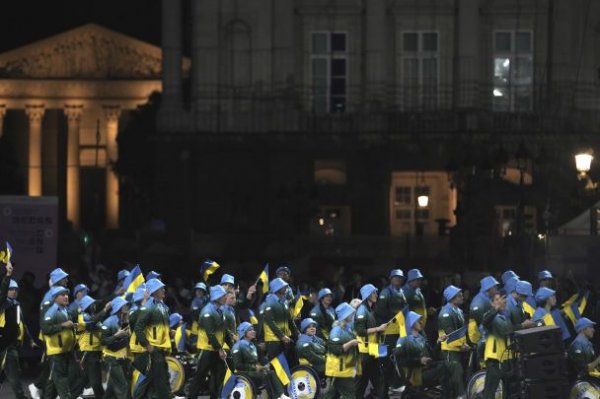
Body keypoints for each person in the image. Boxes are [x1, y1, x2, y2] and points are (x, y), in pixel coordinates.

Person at [187, 285, 233, 399]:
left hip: (216, 349)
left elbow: (224, 331)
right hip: (207, 350)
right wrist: (220, 349)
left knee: (218, 377)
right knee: (200, 376)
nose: (225, 297)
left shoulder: (220, 311)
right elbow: (210, 334)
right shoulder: (207, 311)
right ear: (217, 297)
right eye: (223, 295)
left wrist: (231, 345)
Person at [395, 311, 452, 394]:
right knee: (443, 368)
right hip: (415, 375)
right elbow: (400, 361)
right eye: (418, 321)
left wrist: (438, 342)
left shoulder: (420, 337)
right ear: (411, 323)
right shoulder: (403, 340)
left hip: (427, 369)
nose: (421, 322)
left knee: (449, 365)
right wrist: (419, 360)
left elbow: (432, 356)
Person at [133, 278, 172, 399]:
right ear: (154, 291)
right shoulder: (149, 306)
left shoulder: (162, 306)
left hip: (161, 348)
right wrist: (147, 345)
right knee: (159, 379)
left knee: (154, 378)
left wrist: (169, 332)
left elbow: (160, 327)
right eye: (161, 288)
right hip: (153, 349)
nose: (164, 290)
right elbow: (138, 328)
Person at [232, 321, 290, 399]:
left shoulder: (253, 345)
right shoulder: (237, 346)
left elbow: (261, 358)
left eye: (253, 329)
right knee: (265, 375)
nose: (253, 331)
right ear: (244, 332)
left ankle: (281, 395)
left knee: (271, 372)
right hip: (243, 372)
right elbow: (238, 365)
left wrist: (266, 364)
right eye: (250, 330)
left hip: (254, 371)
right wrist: (254, 367)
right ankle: (274, 397)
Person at [41, 285, 77, 399]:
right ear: (55, 298)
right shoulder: (52, 311)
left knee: (54, 384)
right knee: (62, 382)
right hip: (56, 352)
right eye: (62, 295)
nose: (66, 297)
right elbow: (46, 329)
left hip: (66, 351)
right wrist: (63, 325)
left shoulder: (65, 310)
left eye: (66, 294)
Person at [374, 269, 407, 395]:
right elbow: (380, 313)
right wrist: (395, 316)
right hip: (387, 333)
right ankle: (382, 392)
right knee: (386, 362)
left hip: (398, 331)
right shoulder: (386, 292)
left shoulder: (401, 291)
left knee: (397, 359)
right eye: (396, 277)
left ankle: (394, 386)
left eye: (400, 278)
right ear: (391, 279)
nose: (398, 279)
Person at [0, 263, 28, 398]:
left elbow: (20, 324)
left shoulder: (17, 305)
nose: (14, 291)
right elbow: (2, 291)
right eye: (11, 289)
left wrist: (23, 339)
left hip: (10, 347)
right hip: (2, 345)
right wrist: (7, 276)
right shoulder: (2, 302)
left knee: (15, 377)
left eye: (16, 289)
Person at [355, 283, 387, 399]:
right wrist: (378, 329)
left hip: (372, 350)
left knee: (378, 381)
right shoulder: (362, 311)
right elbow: (360, 331)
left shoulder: (369, 310)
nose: (376, 295)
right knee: (361, 384)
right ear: (367, 295)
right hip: (365, 353)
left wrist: (381, 330)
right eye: (373, 292)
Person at [438, 285, 470, 398]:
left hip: (459, 349)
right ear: (452, 298)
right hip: (450, 350)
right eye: (459, 296)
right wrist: (462, 345)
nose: (462, 297)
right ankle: (461, 396)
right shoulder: (445, 313)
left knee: (458, 374)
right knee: (457, 373)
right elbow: (450, 333)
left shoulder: (458, 311)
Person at [76, 295, 111, 398]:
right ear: (87, 306)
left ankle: (71, 395)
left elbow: (103, 328)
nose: (94, 305)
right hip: (88, 352)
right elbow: (92, 324)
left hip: (96, 352)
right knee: (96, 382)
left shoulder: (93, 316)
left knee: (85, 379)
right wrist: (104, 310)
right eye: (92, 304)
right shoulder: (83, 317)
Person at [323, 303, 360, 399]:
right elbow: (335, 349)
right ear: (345, 316)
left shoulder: (347, 328)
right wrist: (351, 343)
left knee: (331, 394)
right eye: (350, 313)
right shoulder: (336, 331)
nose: (353, 315)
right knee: (349, 394)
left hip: (345, 368)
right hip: (338, 369)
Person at [481, 292, 513, 399]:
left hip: (506, 357)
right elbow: (485, 321)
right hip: (494, 358)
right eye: (496, 299)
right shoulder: (489, 315)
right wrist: (496, 309)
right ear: (491, 303)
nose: (500, 301)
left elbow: (509, 331)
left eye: (501, 299)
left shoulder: (506, 316)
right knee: (490, 390)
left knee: (508, 390)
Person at [101, 296, 131, 399]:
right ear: (119, 307)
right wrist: (122, 337)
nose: (127, 306)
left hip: (119, 358)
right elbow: (108, 344)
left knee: (111, 390)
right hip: (111, 358)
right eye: (125, 305)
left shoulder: (122, 320)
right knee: (123, 387)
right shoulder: (109, 322)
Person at [263, 278, 300, 360]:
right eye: (283, 286)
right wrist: (282, 336)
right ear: (277, 288)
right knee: (276, 365)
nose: (286, 288)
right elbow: (270, 322)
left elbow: (289, 320)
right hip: (273, 340)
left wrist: (297, 332)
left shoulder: (285, 302)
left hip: (285, 339)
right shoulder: (270, 302)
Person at [467, 276, 499, 365]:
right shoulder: (478, 302)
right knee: (484, 363)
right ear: (488, 288)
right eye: (494, 287)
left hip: (488, 335)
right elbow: (481, 322)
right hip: (480, 338)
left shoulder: (487, 298)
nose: (497, 289)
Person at [189, 282, 208, 350]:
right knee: (195, 342)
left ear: (204, 292)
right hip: (197, 324)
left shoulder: (206, 299)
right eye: (197, 290)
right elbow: (196, 312)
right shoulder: (195, 301)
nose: (198, 292)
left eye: (201, 290)